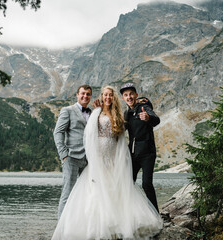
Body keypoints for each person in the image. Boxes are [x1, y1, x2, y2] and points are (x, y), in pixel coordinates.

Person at [51, 86, 163, 240]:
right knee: (91, 191)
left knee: (116, 189)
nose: (108, 97)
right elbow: (89, 137)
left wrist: (121, 158)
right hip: (96, 157)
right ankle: (74, 226)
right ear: (102, 97)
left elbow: (121, 139)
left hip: (113, 157)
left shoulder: (119, 114)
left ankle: (118, 224)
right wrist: (91, 158)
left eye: (110, 95)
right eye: (105, 95)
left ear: (114, 97)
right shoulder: (95, 112)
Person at [53, 84, 92, 219]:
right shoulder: (67, 110)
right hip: (71, 158)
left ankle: (78, 224)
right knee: (67, 193)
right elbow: (58, 132)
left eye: (88, 94)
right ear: (77, 94)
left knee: (86, 193)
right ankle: (61, 228)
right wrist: (63, 154)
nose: (85, 96)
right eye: (82, 93)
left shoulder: (92, 113)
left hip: (88, 161)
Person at [120, 83, 160, 212]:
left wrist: (148, 118)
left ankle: (155, 213)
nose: (129, 97)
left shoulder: (144, 107)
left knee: (146, 184)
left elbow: (156, 120)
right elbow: (120, 130)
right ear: (123, 98)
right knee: (128, 183)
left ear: (136, 95)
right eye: (126, 95)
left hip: (147, 153)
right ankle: (131, 213)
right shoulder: (127, 113)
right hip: (132, 154)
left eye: (131, 94)